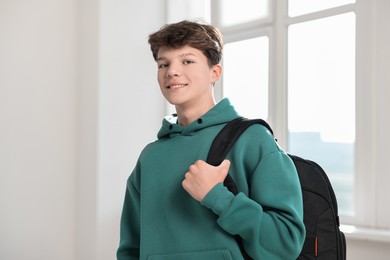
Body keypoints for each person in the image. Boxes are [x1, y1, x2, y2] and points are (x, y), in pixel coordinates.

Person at [117, 20, 305, 260]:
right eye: (163, 64)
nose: (172, 71)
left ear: (214, 72)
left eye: (187, 61)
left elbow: (285, 244)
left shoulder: (252, 140)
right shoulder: (150, 156)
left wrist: (217, 197)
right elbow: (130, 250)